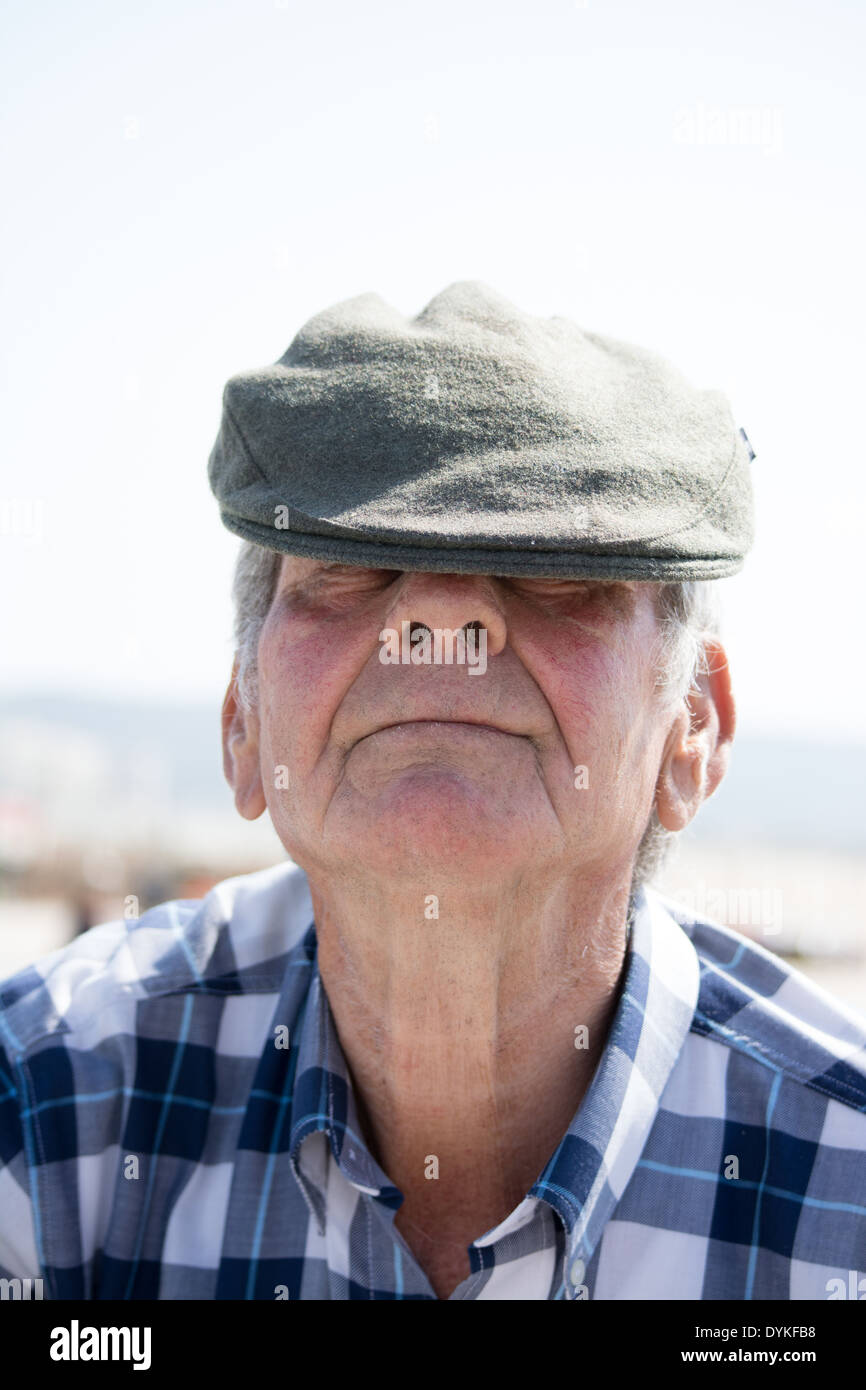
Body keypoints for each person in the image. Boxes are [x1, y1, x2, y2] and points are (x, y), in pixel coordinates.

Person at [1, 282, 863, 1300]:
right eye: (346, 568)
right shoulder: (47, 1105)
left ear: (692, 728)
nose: (442, 619)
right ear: (243, 722)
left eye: (554, 573)